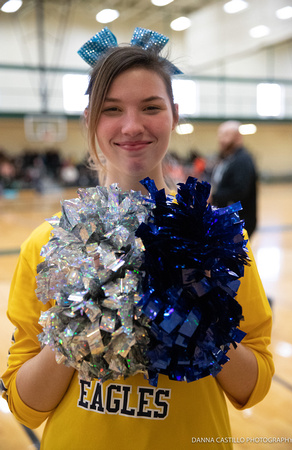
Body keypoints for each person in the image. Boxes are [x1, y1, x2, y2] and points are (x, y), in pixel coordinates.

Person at [1, 28, 273, 450]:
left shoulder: (221, 236)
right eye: (112, 109)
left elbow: (252, 386)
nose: (132, 126)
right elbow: (25, 406)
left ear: (175, 115)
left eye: (150, 107)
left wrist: (199, 318)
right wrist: (76, 327)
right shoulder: (46, 243)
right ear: (89, 120)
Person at [210, 121, 258, 237]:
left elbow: (240, 190)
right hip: (228, 218)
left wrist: (213, 197)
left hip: (240, 220)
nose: (221, 140)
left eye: (225, 135)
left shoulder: (243, 160)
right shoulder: (228, 157)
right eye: (220, 135)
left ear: (237, 136)